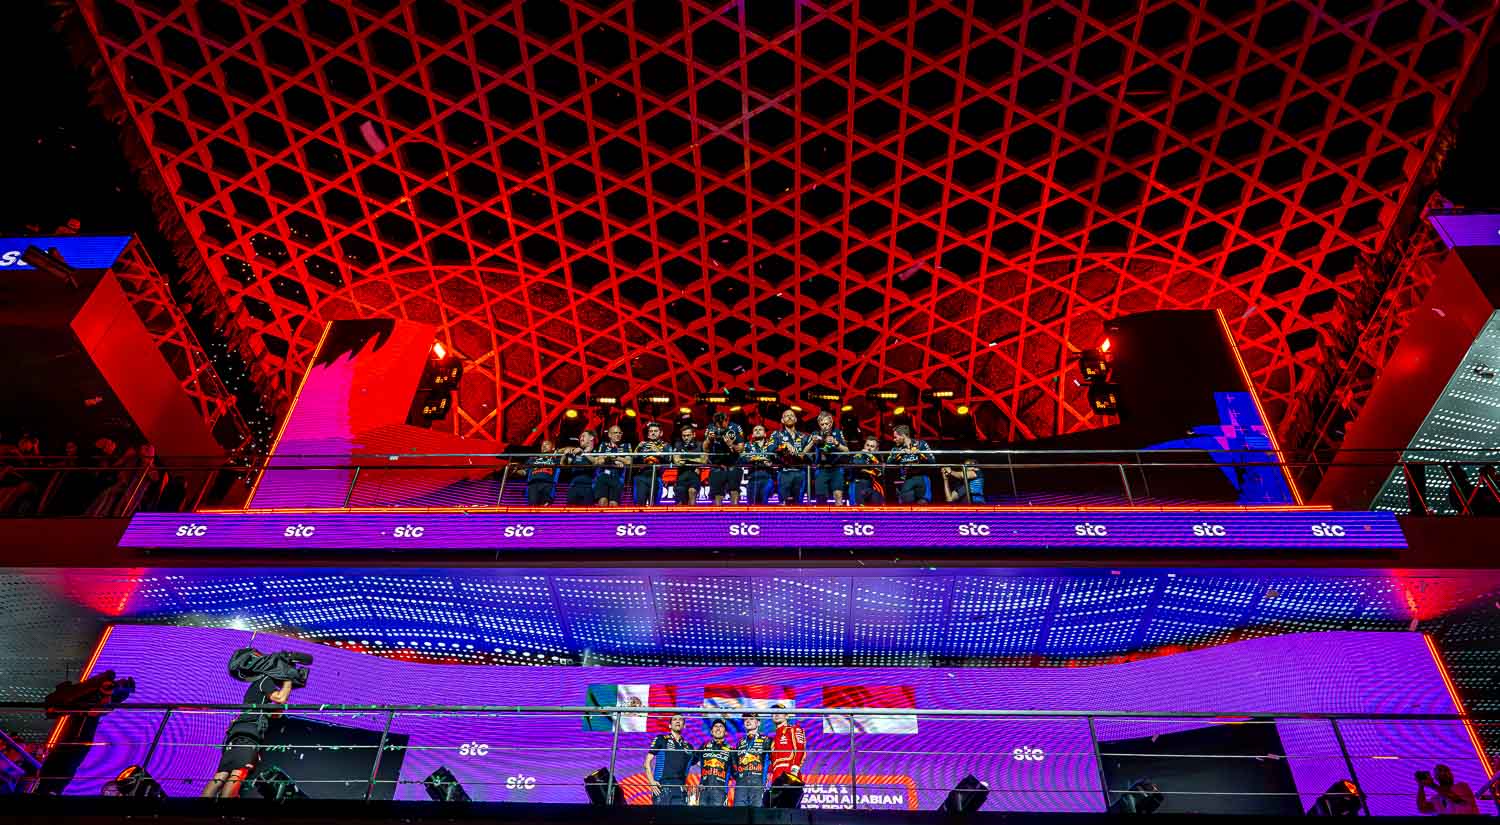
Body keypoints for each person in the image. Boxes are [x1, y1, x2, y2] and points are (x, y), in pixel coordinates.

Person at [203, 653, 309, 799]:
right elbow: (280, 698)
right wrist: (289, 680)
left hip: (239, 732)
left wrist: (284, 693)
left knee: (222, 774)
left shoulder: (260, 687)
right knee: (238, 773)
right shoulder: (265, 680)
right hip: (249, 732)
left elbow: (276, 714)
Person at [644, 713, 695, 806]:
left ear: (684, 725)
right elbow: (647, 762)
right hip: (662, 787)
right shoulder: (661, 739)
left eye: (680, 720)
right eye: (675, 719)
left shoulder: (689, 747)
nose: (678, 721)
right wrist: (651, 782)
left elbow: (699, 763)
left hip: (680, 789)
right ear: (670, 725)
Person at [767, 704, 806, 808]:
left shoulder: (793, 729)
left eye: (779, 712)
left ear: (787, 716)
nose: (776, 714)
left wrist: (794, 772)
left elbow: (800, 749)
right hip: (776, 779)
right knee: (776, 812)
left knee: (790, 811)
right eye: (773, 713)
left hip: (789, 776)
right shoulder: (773, 739)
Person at [770, 410, 812, 505]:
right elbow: (771, 448)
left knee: (799, 503)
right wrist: (784, 445)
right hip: (784, 472)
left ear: (796, 419)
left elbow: (810, 455)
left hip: (800, 472)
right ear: (782, 420)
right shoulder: (777, 434)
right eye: (786, 416)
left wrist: (803, 454)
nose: (789, 417)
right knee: (783, 503)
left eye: (791, 415)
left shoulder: (804, 436)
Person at [807, 411, 849, 505]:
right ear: (819, 424)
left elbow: (847, 451)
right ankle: (823, 515)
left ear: (831, 423)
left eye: (827, 423)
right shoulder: (815, 434)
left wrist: (836, 443)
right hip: (821, 468)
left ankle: (839, 514)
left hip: (836, 468)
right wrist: (813, 442)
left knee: (838, 495)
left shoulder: (837, 432)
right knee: (821, 498)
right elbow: (804, 451)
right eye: (822, 424)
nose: (825, 426)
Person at [704, 412, 745, 504]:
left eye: (721, 423)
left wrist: (731, 445)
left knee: (734, 491)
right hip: (717, 466)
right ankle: (719, 513)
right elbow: (705, 449)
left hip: (733, 465)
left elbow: (741, 448)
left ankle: (735, 512)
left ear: (727, 420)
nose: (719, 427)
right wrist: (709, 440)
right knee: (717, 494)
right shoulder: (710, 428)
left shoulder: (735, 428)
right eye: (717, 424)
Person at [889, 425, 935, 504]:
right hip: (906, 479)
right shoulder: (896, 449)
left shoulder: (921, 444)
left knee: (923, 504)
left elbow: (932, 461)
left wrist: (920, 453)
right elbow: (888, 463)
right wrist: (900, 454)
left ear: (903, 436)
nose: (894, 439)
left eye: (895, 437)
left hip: (922, 478)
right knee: (906, 505)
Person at [734, 710, 771, 807]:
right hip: (741, 785)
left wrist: (765, 782)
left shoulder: (767, 740)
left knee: (757, 813)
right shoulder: (739, 743)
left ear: (758, 723)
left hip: (758, 784)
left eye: (751, 718)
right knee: (738, 813)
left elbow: (771, 762)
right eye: (745, 719)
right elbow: (735, 765)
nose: (747, 721)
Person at [696, 718, 735, 806]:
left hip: (720, 791)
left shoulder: (731, 750)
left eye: (721, 726)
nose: (718, 728)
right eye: (715, 726)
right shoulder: (704, 747)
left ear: (725, 732)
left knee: (718, 814)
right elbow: (691, 761)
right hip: (703, 790)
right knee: (701, 814)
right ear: (711, 731)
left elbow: (736, 772)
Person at [633, 423, 670, 505]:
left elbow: (668, 461)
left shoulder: (666, 446)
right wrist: (637, 449)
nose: (653, 433)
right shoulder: (642, 445)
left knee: (654, 505)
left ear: (661, 433)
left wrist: (657, 451)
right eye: (651, 431)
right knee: (639, 505)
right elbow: (633, 461)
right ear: (648, 434)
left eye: (655, 431)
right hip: (641, 477)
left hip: (657, 477)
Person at [672, 422, 709, 505]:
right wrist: (696, 460)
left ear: (694, 435)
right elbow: (677, 461)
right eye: (684, 436)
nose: (686, 438)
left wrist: (685, 459)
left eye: (688, 435)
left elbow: (704, 460)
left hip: (694, 476)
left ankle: (692, 512)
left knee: (692, 492)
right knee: (681, 500)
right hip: (682, 476)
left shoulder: (700, 445)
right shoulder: (678, 445)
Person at [559, 430, 599, 505]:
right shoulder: (576, 453)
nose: (580, 438)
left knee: (585, 511)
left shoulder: (597, 452)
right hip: (574, 486)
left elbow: (596, 462)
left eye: (583, 436)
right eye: (580, 437)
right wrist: (565, 455)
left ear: (591, 438)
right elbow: (563, 465)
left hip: (589, 488)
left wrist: (583, 453)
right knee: (570, 511)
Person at [594, 426, 631, 505]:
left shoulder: (626, 445)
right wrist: (612, 459)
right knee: (602, 502)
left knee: (613, 504)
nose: (618, 435)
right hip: (604, 475)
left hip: (618, 476)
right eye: (615, 433)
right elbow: (598, 461)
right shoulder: (603, 445)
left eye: (620, 433)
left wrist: (616, 457)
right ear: (609, 435)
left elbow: (628, 461)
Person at [741, 424, 777, 505]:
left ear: (765, 434)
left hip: (767, 477)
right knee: (751, 503)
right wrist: (756, 458)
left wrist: (772, 462)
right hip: (752, 477)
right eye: (755, 430)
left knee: (764, 502)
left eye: (760, 429)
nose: (757, 431)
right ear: (752, 435)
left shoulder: (772, 445)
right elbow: (742, 459)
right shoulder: (747, 445)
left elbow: (777, 458)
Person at [847, 436, 885, 505]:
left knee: (877, 501)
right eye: (867, 445)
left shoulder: (877, 458)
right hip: (857, 483)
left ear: (877, 449)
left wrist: (870, 456)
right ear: (864, 445)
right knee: (858, 507)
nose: (869, 448)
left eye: (872, 446)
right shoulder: (858, 455)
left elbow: (879, 472)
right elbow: (857, 465)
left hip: (871, 485)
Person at [522, 439, 560, 506]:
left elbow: (566, 452)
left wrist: (557, 452)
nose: (544, 446)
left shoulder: (556, 460)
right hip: (533, 485)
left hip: (548, 484)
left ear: (553, 447)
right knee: (532, 507)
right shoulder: (533, 459)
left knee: (545, 507)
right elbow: (524, 472)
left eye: (547, 444)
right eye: (542, 445)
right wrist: (515, 471)